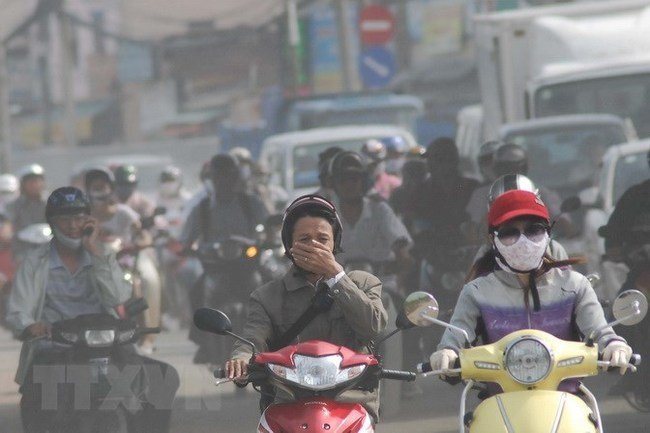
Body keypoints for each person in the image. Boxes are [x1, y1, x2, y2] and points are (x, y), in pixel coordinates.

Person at [5, 187, 178, 433]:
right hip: (56, 347)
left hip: (108, 343)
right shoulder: (35, 262)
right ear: (52, 223)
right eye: (65, 219)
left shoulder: (103, 255)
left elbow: (118, 296)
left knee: (163, 377)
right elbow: (17, 310)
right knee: (38, 398)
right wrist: (30, 325)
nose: (73, 225)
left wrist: (97, 254)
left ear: (89, 221)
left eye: (79, 218)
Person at [429, 190, 633, 381]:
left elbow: (600, 331)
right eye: (510, 232)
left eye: (533, 230)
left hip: (569, 400)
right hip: (498, 402)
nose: (523, 240)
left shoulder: (575, 286)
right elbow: (455, 338)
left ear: (548, 234)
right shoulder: (476, 292)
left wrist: (615, 345)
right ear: (493, 239)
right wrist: (447, 352)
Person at [225, 194, 387, 420]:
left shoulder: (363, 283)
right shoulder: (266, 296)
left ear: (335, 243)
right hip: (288, 406)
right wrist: (241, 359)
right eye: (304, 239)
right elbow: (253, 340)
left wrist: (335, 276)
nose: (314, 246)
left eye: (322, 239)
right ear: (289, 246)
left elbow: (374, 326)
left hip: (351, 404)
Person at [181, 153, 268, 363]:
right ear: (212, 179)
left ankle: (276, 339)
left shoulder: (252, 203)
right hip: (215, 268)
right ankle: (203, 342)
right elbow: (186, 239)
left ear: (236, 178)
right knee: (196, 292)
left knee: (272, 288)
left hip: (248, 267)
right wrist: (190, 248)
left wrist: (265, 238)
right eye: (219, 177)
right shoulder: (201, 209)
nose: (224, 182)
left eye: (228, 177)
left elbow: (268, 229)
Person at [7, 164, 47, 261]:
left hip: (47, 248)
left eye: (37, 181)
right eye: (31, 182)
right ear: (23, 184)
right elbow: (8, 226)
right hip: (23, 250)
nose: (35, 185)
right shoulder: (14, 206)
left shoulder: (51, 203)